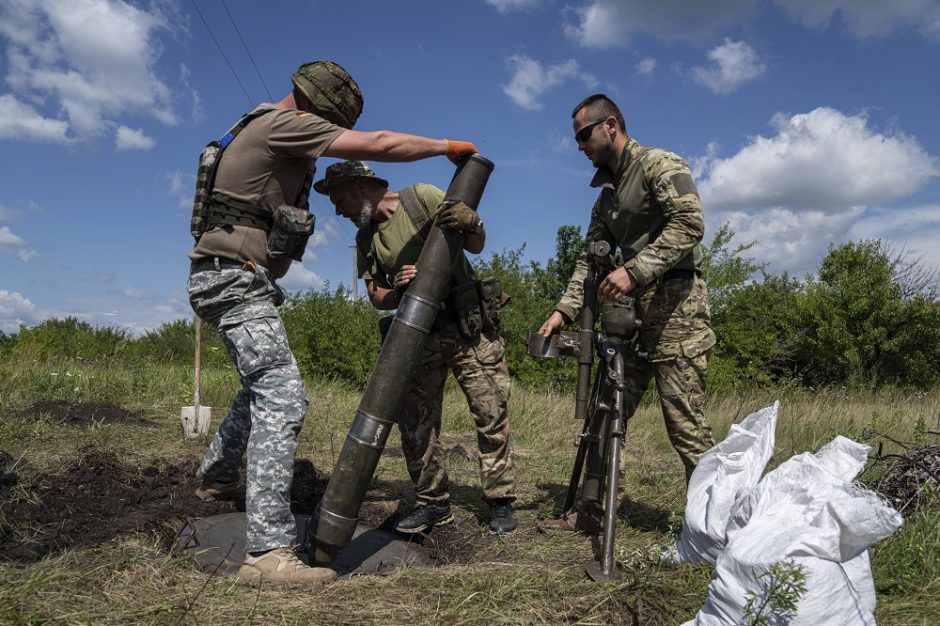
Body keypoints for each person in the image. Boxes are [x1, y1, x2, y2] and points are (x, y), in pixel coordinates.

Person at [186, 60, 478, 585]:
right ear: (318, 108)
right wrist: (444, 147)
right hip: (231, 279)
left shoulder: (256, 126)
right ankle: (268, 553)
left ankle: (218, 475)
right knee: (283, 394)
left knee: (259, 386)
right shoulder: (285, 124)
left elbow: (273, 254)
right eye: (331, 122)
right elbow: (381, 143)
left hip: (229, 277)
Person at [539, 93, 716, 531]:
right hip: (631, 320)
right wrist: (564, 310)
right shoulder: (605, 199)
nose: (580, 146)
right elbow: (589, 259)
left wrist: (634, 270)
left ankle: (716, 528)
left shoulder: (659, 164)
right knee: (606, 414)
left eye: (583, 135)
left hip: (678, 312)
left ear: (610, 126)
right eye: (576, 138)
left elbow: (690, 223)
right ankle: (592, 513)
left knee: (686, 426)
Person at [314, 160, 518, 535]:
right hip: (417, 337)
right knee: (416, 424)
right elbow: (376, 295)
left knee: (490, 412)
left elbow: (474, 243)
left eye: (339, 198)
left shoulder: (420, 199)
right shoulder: (366, 238)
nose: (338, 210)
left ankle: (500, 502)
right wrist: (397, 288)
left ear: (359, 187)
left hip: (465, 327)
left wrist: (472, 222)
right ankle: (434, 503)